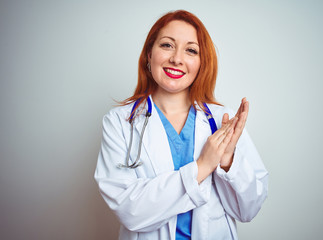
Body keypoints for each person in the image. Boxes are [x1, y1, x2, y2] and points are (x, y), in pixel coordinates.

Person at [94, 10, 268, 240]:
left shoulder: (223, 121)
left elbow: (248, 210)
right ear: (149, 54)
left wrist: (227, 163)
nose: (177, 58)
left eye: (191, 50)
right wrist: (202, 167)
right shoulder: (120, 122)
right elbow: (129, 211)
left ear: (201, 63)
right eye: (167, 45)